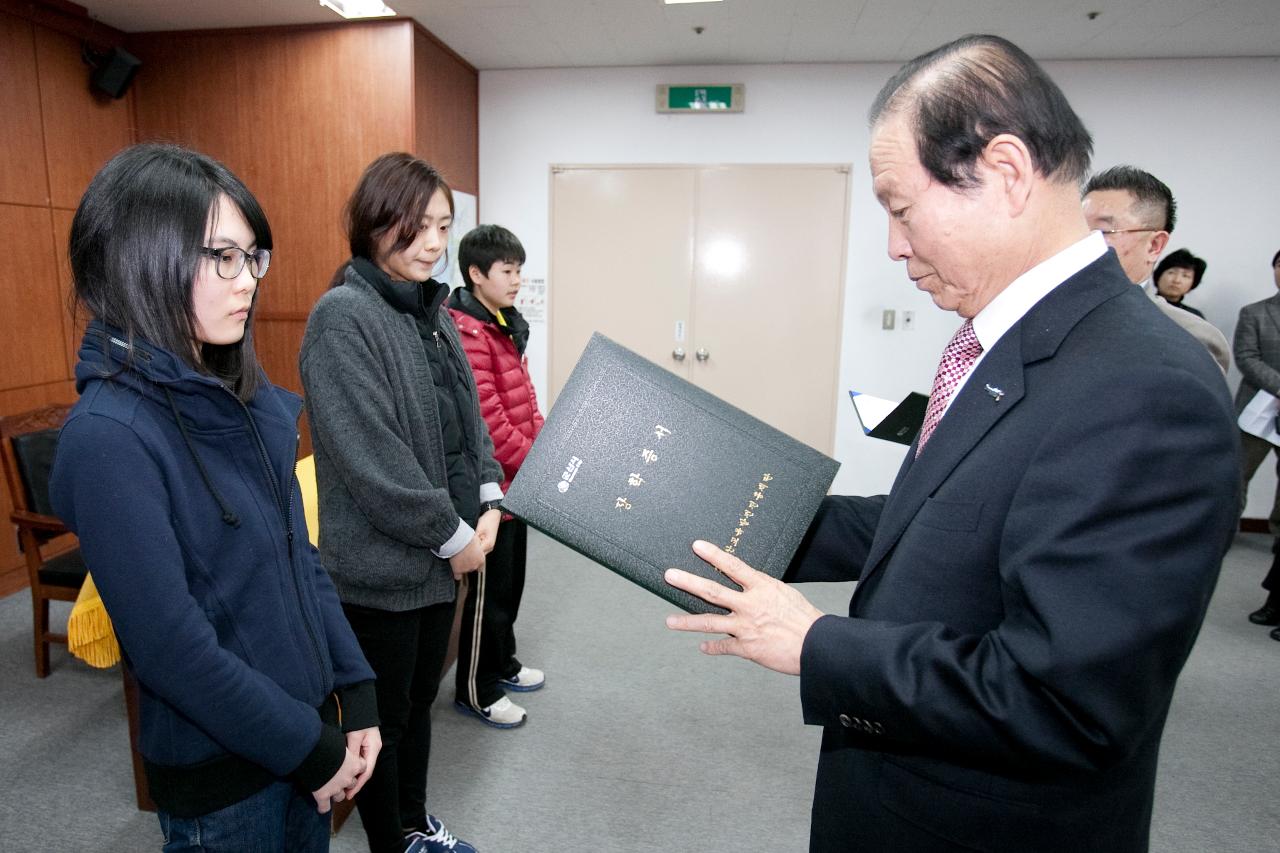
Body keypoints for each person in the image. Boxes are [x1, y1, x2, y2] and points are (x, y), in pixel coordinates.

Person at [665, 35, 1238, 852]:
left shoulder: (1148, 388)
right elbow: (937, 518)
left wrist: (818, 643)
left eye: (901, 206)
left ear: (1006, 172)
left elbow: (1066, 702)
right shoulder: (1011, 341)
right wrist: (743, 514)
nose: (894, 245)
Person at [49, 143, 380, 852]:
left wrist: (355, 688)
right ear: (143, 258)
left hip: (301, 737)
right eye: (221, 257)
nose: (248, 282)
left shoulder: (244, 398)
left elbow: (302, 560)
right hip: (224, 778)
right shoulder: (110, 436)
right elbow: (172, 649)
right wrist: (310, 748)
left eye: (253, 257)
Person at [300, 152, 505, 853]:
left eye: (443, 226)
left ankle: (416, 821)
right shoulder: (342, 317)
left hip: (439, 560)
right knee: (380, 721)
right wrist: (456, 539)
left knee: (418, 708)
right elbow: (373, 462)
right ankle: (393, 840)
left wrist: (488, 499)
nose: (432, 243)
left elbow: (468, 416)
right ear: (372, 223)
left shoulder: (433, 308)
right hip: (381, 570)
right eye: (414, 226)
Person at [447, 225, 546, 726]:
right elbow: (489, 425)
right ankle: (475, 688)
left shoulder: (502, 323)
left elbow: (524, 403)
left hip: (518, 483)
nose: (516, 281)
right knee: (488, 595)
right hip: (491, 490)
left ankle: (502, 663)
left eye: (518, 270)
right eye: (507, 271)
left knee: (511, 586)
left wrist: (547, 446)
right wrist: (539, 458)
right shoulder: (466, 332)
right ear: (476, 273)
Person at [1081, 165, 1230, 373]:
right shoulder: (1045, 315)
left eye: (1103, 231)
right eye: (1079, 230)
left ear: (1154, 246)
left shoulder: (1190, 337)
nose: (1081, 243)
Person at [1234, 248, 1280, 639]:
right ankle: (1224, 532)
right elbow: (1246, 357)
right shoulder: (1255, 312)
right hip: (1256, 412)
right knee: (1236, 476)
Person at [1153, 248, 1208, 317]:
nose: (1177, 280)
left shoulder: (1194, 317)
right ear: (1159, 275)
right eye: (1171, 273)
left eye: (1185, 276)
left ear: (1193, 283)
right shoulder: (1140, 303)